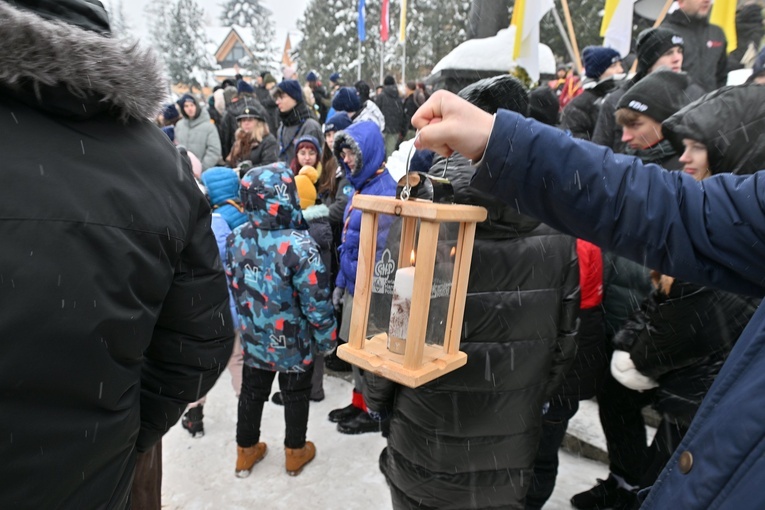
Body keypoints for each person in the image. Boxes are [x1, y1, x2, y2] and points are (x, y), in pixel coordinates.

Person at [412, 88, 765, 509]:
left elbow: (590, 307)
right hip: (536, 409)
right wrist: (504, 142)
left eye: (695, 147)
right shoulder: (563, 233)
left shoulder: (550, 240)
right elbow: (665, 212)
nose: (683, 157)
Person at [0, 2, 234, 507]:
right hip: (98, 483)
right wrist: (121, 432)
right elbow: (203, 340)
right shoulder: (159, 166)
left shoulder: (165, 162)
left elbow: (203, 337)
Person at [364, 75, 580, 510]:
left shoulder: (419, 210)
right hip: (508, 437)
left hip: (423, 427)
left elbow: (385, 331)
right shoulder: (556, 223)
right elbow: (564, 342)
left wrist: (378, 403)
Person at [225, 163, 337, 478]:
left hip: (254, 335)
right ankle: (294, 451)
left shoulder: (236, 238)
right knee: (296, 394)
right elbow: (316, 300)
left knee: (252, 391)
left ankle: (245, 451)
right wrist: (327, 338)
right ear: (285, 195)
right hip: (294, 339)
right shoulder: (300, 245)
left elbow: (236, 283)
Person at [327, 121, 398, 435]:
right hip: (356, 286)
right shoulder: (362, 186)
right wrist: (342, 284)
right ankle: (359, 401)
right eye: (342, 153)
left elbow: (381, 254)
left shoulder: (385, 191)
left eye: (351, 153)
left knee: (370, 356)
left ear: (367, 152)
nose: (347, 159)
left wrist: (367, 293)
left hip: (372, 293)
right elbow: (351, 244)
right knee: (356, 352)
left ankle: (373, 410)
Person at [662, 0, 727, 92]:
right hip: (678, 104)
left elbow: (722, 75)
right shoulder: (664, 33)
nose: (707, 1)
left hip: (711, 103)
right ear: (681, 2)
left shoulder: (717, 33)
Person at [561, 46, 624, 140]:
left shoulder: (624, 96)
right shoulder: (578, 107)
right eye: (613, 66)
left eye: (620, 65)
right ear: (599, 72)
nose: (621, 70)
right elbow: (577, 146)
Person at [273, 79, 323, 166]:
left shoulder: (310, 126)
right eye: (277, 98)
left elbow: (316, 163)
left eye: (282, 97)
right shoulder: (282, 128)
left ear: (295, 98)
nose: (277, 102)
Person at [225, 101, 278, 173]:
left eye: (250, 120)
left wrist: (243, 171)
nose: (246, 123)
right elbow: (230, 162)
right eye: (243, 120)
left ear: (258, 123)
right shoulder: (239, 141)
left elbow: (269, 165)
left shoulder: (268, 141)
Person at [175, 94, 223, 171]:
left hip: (202, 172)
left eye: (192, 105)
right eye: (186, 106)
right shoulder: (179, 125)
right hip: (183, 172)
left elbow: (214, 151)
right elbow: (176, 146)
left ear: (196, 106)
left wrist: (201, 168)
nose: (189, 109)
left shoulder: (209, 126)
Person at [375, 75, 406, 156]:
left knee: (379, 151)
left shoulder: (381, 96)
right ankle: (388, 167)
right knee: (390, 152)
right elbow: (401, 113)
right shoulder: (398, 97)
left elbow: (376, 111)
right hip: (395, 129)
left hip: (382, 127)